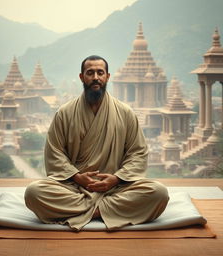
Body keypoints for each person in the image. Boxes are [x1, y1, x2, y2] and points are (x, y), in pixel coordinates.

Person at [24, 55, 169, 231]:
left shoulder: (125, 112)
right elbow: (54, 152)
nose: (95, 77)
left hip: (115, 187)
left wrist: (115, 179)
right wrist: (78, 177)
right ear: (81, 77)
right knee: (33, 192)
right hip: (74, 187)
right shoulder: (65, 113)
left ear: (107, 76)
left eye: (100, 72)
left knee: (159, 193)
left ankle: (87, 211)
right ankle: (105, 210)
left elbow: (137, 153)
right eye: (90, 72)